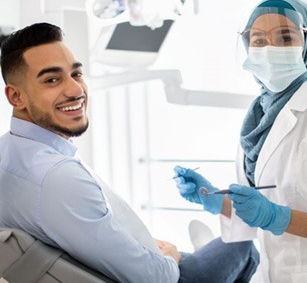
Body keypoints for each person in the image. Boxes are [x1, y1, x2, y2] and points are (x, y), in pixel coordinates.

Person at [0, 22, 259, 283]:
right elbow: (157, 278)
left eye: (76, 74)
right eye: (52, 80)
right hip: (166, 277)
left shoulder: (8, 152)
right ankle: (190, 254)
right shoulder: (57, 178)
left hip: (110, 262)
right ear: (16, 97)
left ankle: (193, 253)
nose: (76, 90)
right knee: (243, 247)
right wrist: (172, 258)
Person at [174, 0, 307, 283]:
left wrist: (277, 217)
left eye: (285, 38)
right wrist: (213, 200)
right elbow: (263, 206)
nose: (270, 49)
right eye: (258, 40)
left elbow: (271, 211)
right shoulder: (259, 115)